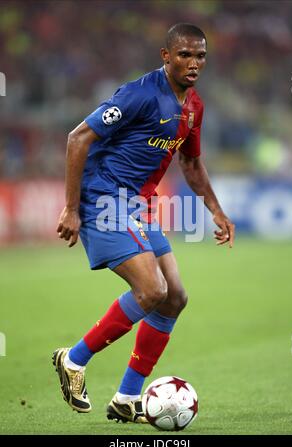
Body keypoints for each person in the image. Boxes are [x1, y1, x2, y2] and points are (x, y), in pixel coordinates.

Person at [53, 23, 235, 423]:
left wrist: (216, 211)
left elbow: (189, 162)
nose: (194, 63)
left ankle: (126, 398)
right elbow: (78, 138)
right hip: (102, 198)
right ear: (165, 56)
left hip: (135, 204)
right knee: (152, 289)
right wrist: (71, 208)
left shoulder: (193, 107)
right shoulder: (139, 94)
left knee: (174, 298)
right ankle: (73, 359)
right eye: (185, 54)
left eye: (200, 55)